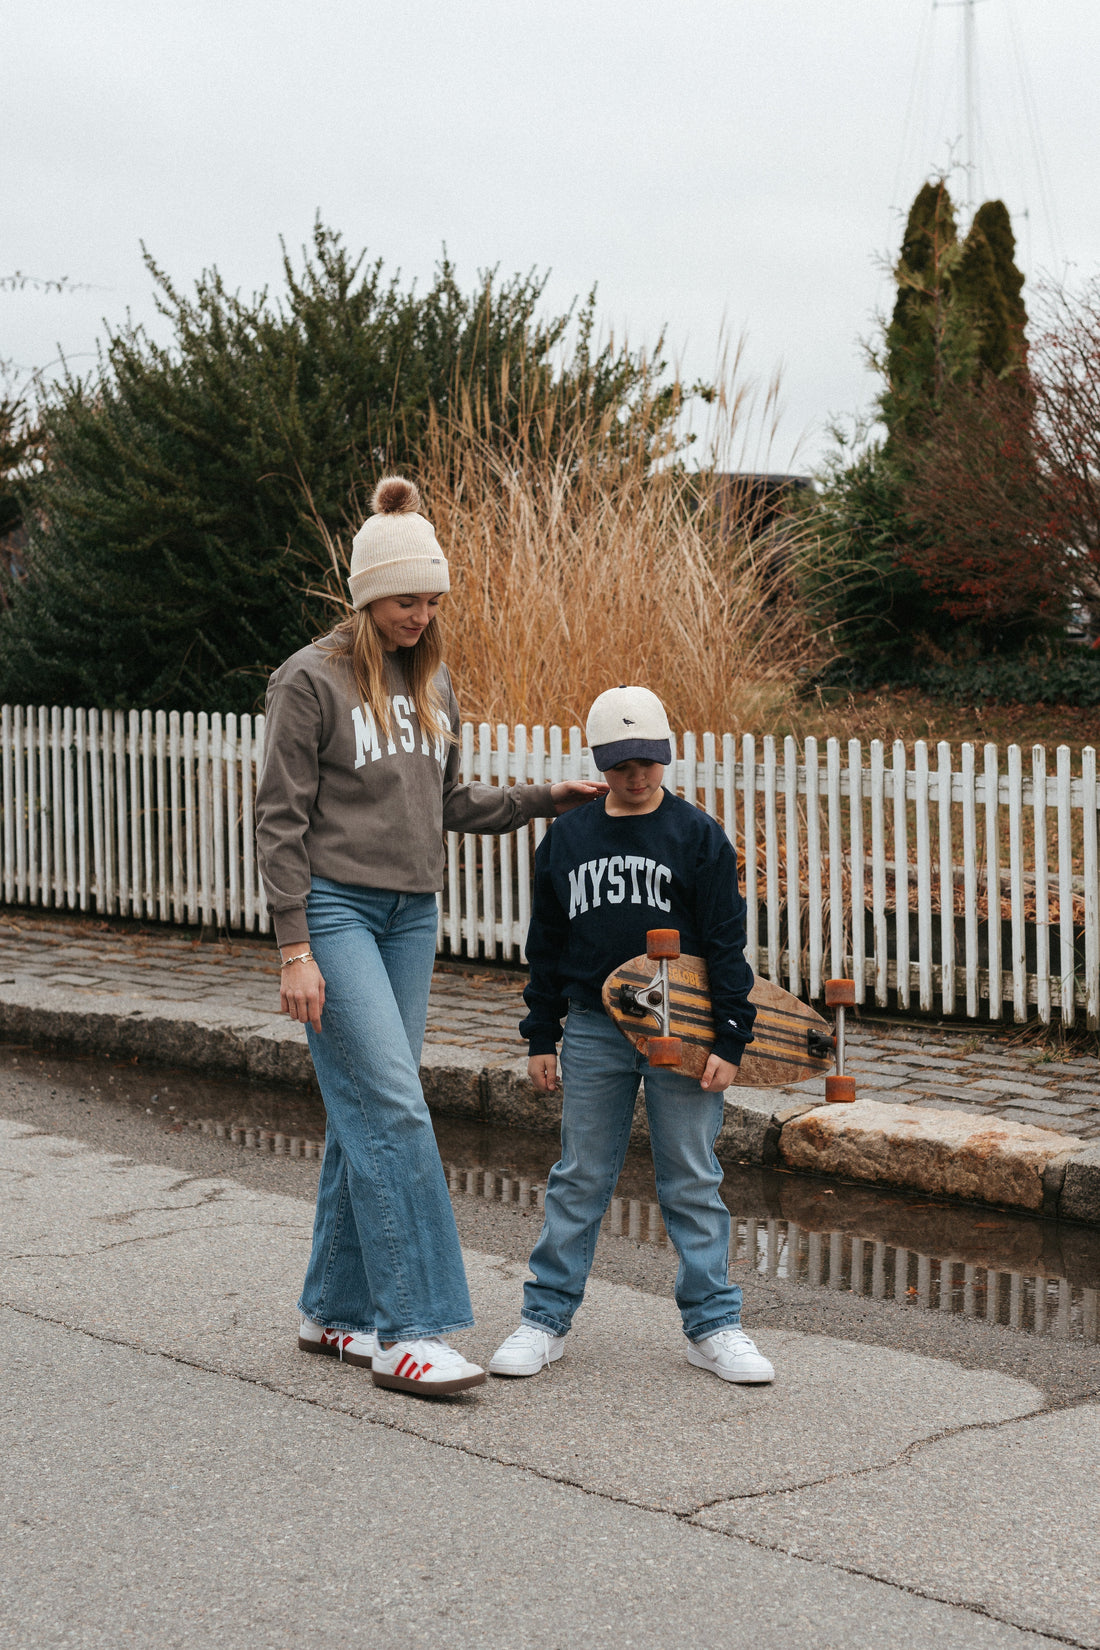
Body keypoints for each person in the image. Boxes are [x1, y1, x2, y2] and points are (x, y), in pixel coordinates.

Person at [255, 476, 603, 1397]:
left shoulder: (435, 679)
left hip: (413, 914)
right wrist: (295, 947)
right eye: (409, 598)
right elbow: (279, 824)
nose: (424, 613)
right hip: (333, 912)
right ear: (369, 593)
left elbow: (447, 801)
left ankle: (334, 1311)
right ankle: (412, 1328)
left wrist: (543, 799)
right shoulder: (308, 680)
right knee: (396, 1108)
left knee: (368, 1107)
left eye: (435, 597)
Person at [489, 685, 775, 1385]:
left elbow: (726, 946)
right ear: (600, 762)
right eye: (621, 765)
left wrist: (731, 1040)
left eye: (647, 761)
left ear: (666, 756)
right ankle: (545, 1319)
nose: (636, 776)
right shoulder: (568, 838)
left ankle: (713, 1326)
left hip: (684, 1028)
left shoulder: (698, 836)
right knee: (580, 1175)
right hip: (592, 1027)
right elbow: (546, 943)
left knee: (692, 1177)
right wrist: (539, 1036)